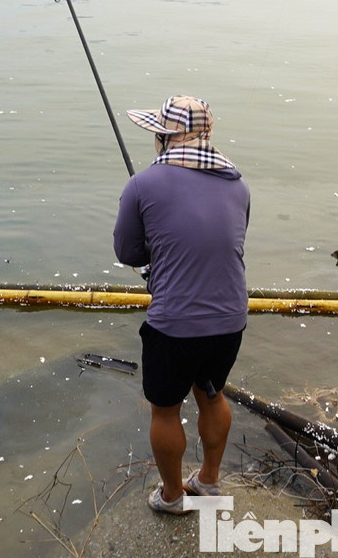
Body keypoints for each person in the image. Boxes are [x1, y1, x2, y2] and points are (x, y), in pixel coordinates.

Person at [113, 95, 251, 515]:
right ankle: (208, 480)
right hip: (230, 319)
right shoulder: (238, 184)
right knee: (212, 395)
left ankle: (172, 496)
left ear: (165, 137)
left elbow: (128, 252)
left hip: (174, 324)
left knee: (165, 410)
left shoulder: (142, 185)